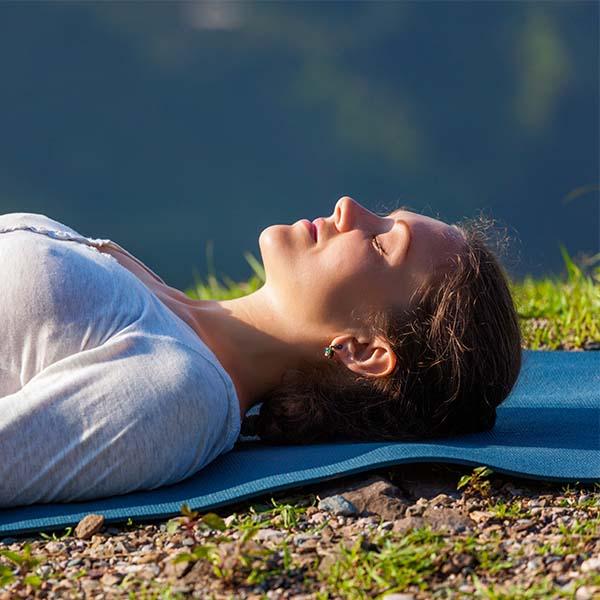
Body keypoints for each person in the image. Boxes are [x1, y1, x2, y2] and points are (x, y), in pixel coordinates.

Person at [0, 196, 522, 506]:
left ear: (363, 351)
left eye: (381, 243)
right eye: (383, 214)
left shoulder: (179, 392)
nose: (350, 209)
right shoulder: (170, 309)